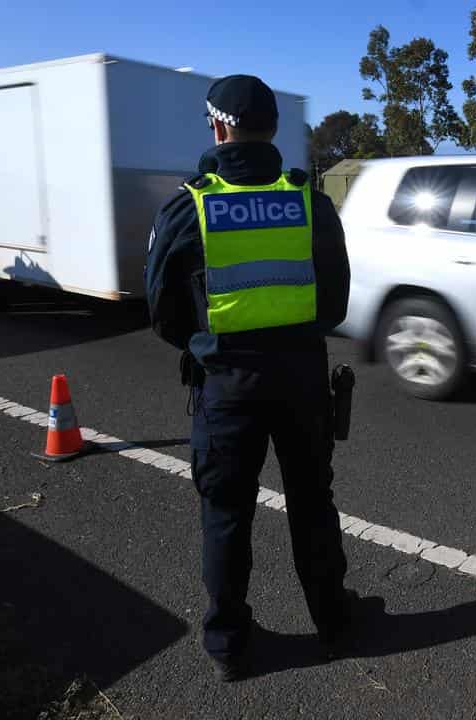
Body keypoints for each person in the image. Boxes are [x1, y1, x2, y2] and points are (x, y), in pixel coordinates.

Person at [145, 74, 356, 681]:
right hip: (301, 385)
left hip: (226, 389)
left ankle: (230, 647)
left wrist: (211, 342)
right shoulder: (309, 202)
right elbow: (334, 303)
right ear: (273, 129)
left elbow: (161, 311)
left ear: (217, 127)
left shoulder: (190, 207)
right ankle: (335, 622)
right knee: (313, 505)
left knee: (227, 514)